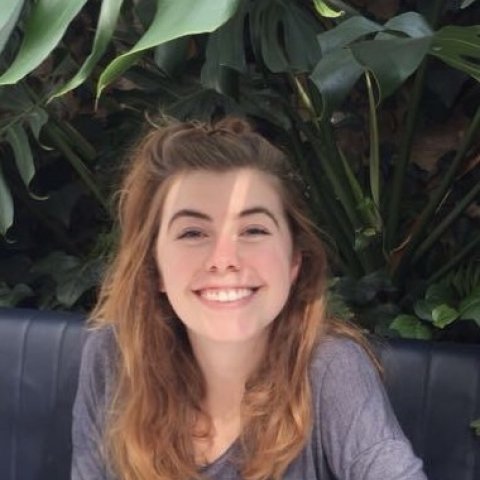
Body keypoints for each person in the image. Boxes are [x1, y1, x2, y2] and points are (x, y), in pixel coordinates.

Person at [71, 117, 427, 480]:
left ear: (294, 260)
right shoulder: (116, 357)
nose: (224, 259)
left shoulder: (330, 367)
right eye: (193, 233)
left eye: (253, 230)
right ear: (154, 266)